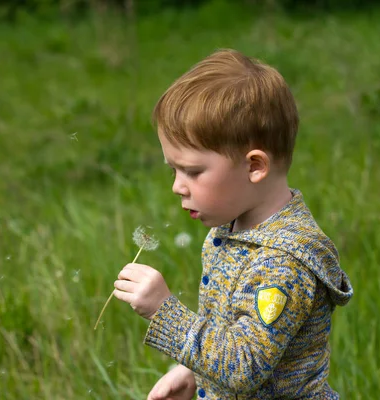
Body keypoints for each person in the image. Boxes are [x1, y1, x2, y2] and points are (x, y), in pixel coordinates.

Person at [112, 48, 353, 400]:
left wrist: (166, 312)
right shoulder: (231, 229)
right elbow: (234, 332)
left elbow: (244, 367)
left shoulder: (282, 263)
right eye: (173, 169)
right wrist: (193, 372)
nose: (177, 186)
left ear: (255, 166)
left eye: (193, 172)